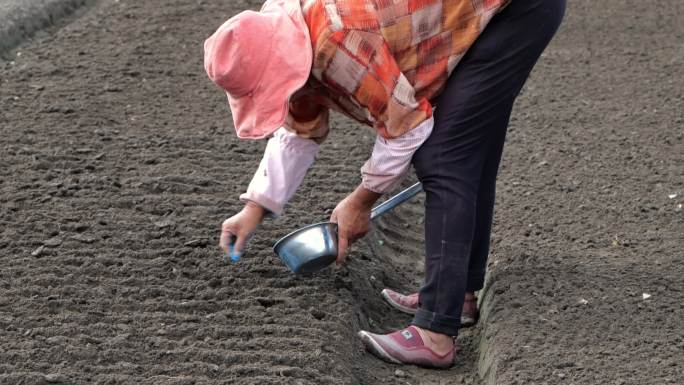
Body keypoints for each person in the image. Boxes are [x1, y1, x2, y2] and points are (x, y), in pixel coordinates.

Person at [204, 0, 565, 368]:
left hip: (514, 12)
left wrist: (361, 202)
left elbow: (406, 129)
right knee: (464, 152)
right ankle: (456, 299)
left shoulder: (337, 38)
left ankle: (435, 333)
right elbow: (299, 132)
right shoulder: (286, 29)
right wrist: (256, 206)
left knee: (444, 158)